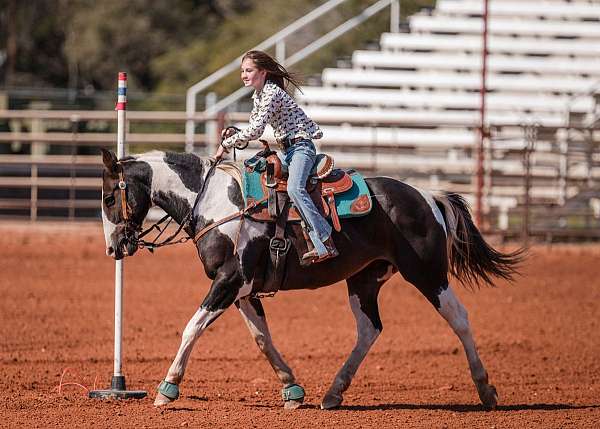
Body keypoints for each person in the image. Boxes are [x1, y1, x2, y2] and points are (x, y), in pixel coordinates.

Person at [215, 50, 338, 263]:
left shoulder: (271, 93)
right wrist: (236, 138)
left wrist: (226, 144)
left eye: (249, 70)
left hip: (301, 148)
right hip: (287, 150)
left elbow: (255, 131)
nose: (244, 75)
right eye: (242, 71)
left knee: (294, 188)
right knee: (255, 167)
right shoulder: (259, 95)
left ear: (263, 72)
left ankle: (324, 239)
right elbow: (253, 129)